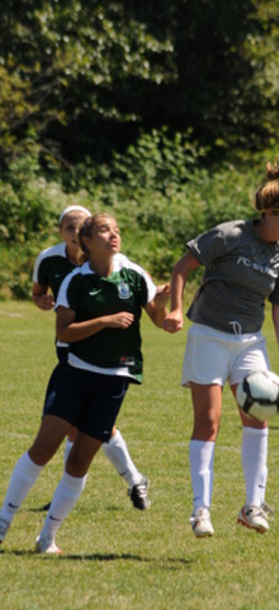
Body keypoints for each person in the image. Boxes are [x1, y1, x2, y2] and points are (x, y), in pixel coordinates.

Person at [0, 213, 170, 553]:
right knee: (43, 449)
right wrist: (105, 320)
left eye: (116, 230)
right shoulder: (75, 280)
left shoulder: (133, 273)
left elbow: (158, 318)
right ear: (87, 241)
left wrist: (165, 302)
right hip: (75, 374)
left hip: (115, 379)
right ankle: (3, 523)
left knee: (79, 463)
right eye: (105, 230)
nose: (114, 235)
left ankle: (47, 537)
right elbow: (64, 332)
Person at [163, 156, 279, 537]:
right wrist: (176, 309)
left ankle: (252, 506)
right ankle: (201, 511)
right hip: (209, 336)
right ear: (268, 212)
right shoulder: (230, 235)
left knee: (258, 416)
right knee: (208, 421)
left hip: (249, 342)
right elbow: (182, 267)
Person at [32, 205, 150, 510]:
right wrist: (41, 300)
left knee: (86, 424)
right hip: (69, 345)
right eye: (68, 227)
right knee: (79, 423)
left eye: (80, 226)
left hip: (102, 352)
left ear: (86, 233)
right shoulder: (49, 259)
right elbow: (38, 292)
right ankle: (133, 480)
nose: (74, 232)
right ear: (61, 232)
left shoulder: (113, 262)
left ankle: (133, 480)